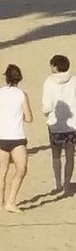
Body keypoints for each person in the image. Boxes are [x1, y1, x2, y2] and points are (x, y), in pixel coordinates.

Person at [41, 55, 76, 195]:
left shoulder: (49, 82)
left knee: (56, 155)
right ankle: (67, 183)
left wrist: (46, 113)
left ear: (55, 66)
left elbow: (46, 106)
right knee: (70, 155)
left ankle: (58, 184)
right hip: (72, 125)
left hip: (55, 126)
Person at [0, 64, 33, 213]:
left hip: (2, 136)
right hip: (17, 137)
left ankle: (2, 200)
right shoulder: (21, 94)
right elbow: (29, 118)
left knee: (2, 171)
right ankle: (10, 201)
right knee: (21, 169)